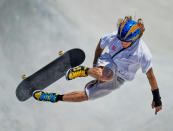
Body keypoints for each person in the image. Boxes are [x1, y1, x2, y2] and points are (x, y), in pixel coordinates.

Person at [33, 16, 162, 115]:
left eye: (126, 42)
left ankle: (54, 97)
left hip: (122, 77)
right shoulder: (114, 36)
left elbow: (150, 76)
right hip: (109, 61)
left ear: (134, 39)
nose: (122, 43)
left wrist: (157, 98)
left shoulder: (143, 53)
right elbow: (100, 46)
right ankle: (82, 71)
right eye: (121, 40)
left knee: (86, 96)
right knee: (106, 75)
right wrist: (94, 66)